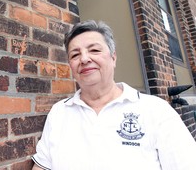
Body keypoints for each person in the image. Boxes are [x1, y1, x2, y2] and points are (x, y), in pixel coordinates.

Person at [31, 20, 196, 170]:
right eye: (75, 55)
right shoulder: (59, 112)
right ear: (71, 65)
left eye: (94, 50)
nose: (84, 59)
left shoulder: (155, 110)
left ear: (113, 58)